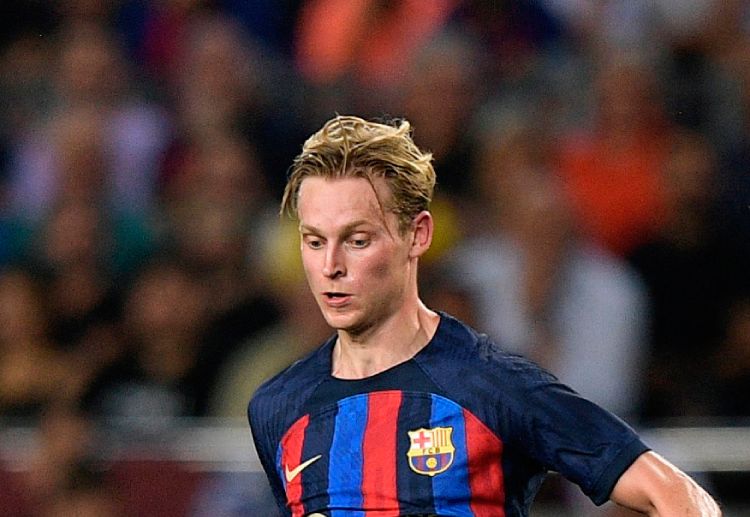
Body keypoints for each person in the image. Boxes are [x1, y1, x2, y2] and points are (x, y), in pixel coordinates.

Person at [248, 115, 721, 516]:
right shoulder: (278, 407)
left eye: (357, 240)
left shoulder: (492, 385)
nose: (330, 265)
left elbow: (680, 498)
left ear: (418, 235)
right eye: (314, 241)